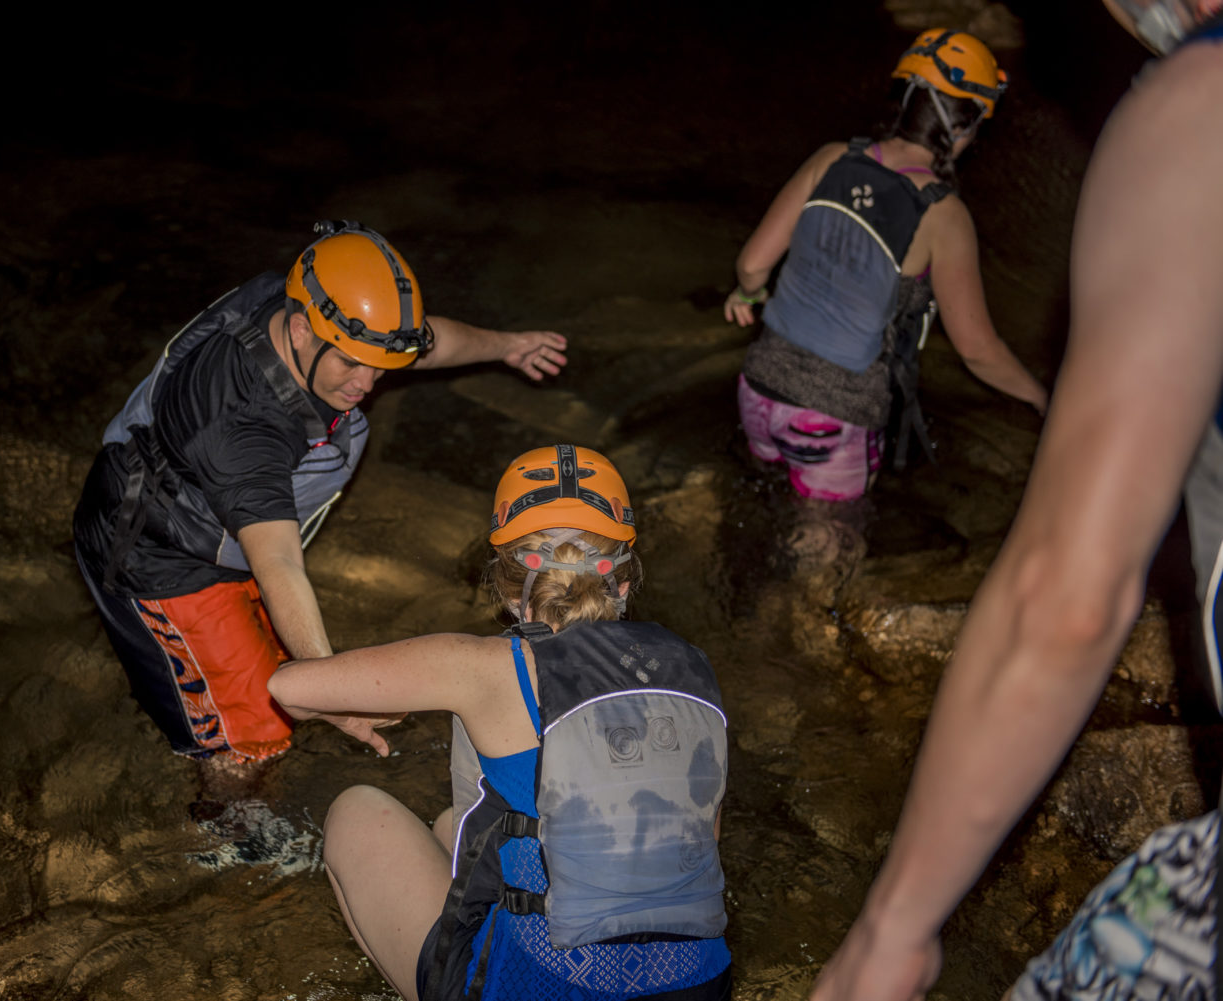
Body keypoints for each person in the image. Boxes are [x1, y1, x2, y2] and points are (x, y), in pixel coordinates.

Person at [809, 4, 1223, 1001]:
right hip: (845, 415)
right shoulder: (944, 213)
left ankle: (811, 625)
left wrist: (891, 930)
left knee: (811, 545)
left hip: (776, 389)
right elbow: (981, 342)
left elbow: (1067, 592)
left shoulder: (1199, 110)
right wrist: (1031, 393)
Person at [71, 221, 569, 788]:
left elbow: (421, 343)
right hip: (158, 557)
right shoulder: (241, 428)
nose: (368, 382)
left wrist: (508, 346)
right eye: (351, 364)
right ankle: (229, 840)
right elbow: (278, 559)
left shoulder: (308, 308)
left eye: (379, 363)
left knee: (277, 661)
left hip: (214, 513)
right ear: (303, 330)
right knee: (251, 737)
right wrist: (332, 687)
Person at [267, 444, 734, 1001]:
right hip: (699, 984)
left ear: (509, 590)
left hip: (546, 989)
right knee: (451, 828)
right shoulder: (692, 668)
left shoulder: (483, 666)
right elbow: (704, 840)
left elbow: (288, 688)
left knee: (357, 812)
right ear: (626, 582)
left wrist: (343, 709)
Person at [724, 29, 1048, 501]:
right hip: (832, 416)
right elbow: (978, 350)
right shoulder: (943, 214)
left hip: (758, 389)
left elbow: (753, 265)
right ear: (962, 127)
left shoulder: (831, 159)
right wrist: (1041, 398)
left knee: (759, 501)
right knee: (828, 554)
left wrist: (747, 294)